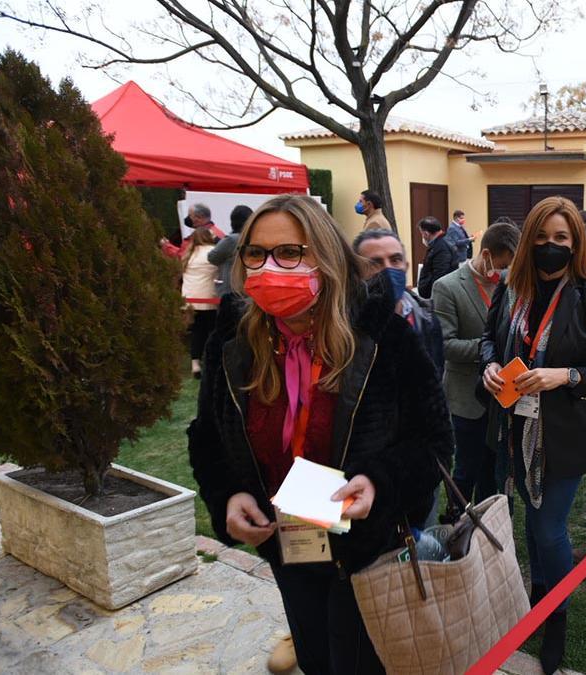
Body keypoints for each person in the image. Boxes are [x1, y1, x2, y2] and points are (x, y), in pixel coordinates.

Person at [188, 194, 452, 675]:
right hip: (287, 543)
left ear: (326, 257)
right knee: (315, 659)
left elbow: (434, 444)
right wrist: (228, 495)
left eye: (290, 252)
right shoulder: (231, 341)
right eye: (256, 253)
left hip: (365, 551)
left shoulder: (383, 336)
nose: (270, 267)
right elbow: (206, 436)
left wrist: (377, 481)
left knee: (359, 664)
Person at [480, 196, 586, 674]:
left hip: (563, 431)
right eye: (540, 238)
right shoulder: (510, 285)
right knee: (529, 514)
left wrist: (566, 376)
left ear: (576, 242)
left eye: (560, 238)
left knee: (548, 525)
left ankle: (556, 614)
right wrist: (490, 364)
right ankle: (539, 593)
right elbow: (487, 336)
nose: (549, 247)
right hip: (513, 424)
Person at [432, 222, 520, 518]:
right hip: (467, 397)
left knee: (493, 468)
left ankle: (487, 521)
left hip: (503, 396)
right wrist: (492, 350)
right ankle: (456, 517)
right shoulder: (447, 287)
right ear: (485, 255)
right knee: (467, 466)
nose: (504, 272)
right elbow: (446, 345)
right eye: (502, 265)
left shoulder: (511, 284)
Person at [352, 229, 444, 375]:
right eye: (375, 263)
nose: (387, 269)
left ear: (405, 267)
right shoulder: (344, 327)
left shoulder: (428, 320)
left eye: (395, 260)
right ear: (356, 273)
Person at [180, 226, 220, 378]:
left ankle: (195, 364)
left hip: (190, 299)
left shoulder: (188, 254)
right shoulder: (213, 252)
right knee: (212, 331)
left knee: (197, 332)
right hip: (209, 298)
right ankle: (211, 362)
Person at [208, 205, 253, 298]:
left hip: (230, 289)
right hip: (248, 287)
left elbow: (212, 257)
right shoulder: (253, 238)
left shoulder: (232, 239)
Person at [161, 203, 226, 257]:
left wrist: (166, 246)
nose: (187, 218)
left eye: (190, 215)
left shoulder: (200, 236)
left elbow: (183, 255)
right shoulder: (218, 233)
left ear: (199, 218)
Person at [415, 216, 458, 299]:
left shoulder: (442, 247)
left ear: (426, 234)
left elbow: (440, 275)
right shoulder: (442, 242)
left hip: (438, 296)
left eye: (421, 233)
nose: (422, 236)